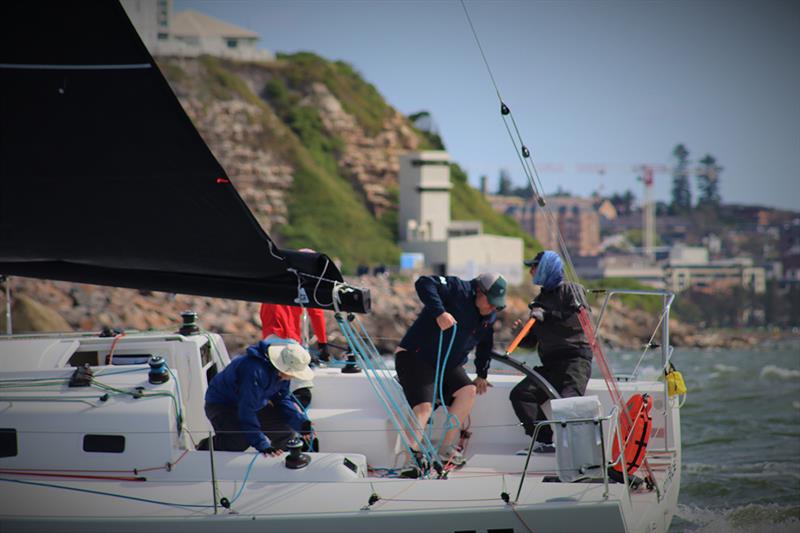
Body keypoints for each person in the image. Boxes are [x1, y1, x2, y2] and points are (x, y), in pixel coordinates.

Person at [395, 272, 506, 474]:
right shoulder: (458, 289)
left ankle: (445, 450)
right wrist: (439, 313)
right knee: (424, 408)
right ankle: (409, 460)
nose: (492, 307)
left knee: (468, 391)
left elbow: (485, 345)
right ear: (479, 292)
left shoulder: (489, 316)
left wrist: (482, 374)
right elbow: (424, 282)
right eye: (490, 302)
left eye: (497, 305)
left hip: (447, 364)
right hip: (416, 356)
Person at [509, 251, 593, 453]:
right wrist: (522, 335)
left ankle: (578, 454)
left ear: (547, 267)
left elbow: (579, 320)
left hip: (575, 360)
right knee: (521, 395)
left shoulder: (572, 290)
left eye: (534, 267)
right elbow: (532, 342)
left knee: (567, 403)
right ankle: (546, 442)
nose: (530, 271)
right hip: (551, 365)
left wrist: (547, 315)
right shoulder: (539, 300)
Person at [197, 340, 314, 455]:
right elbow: (246, 410)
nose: (294, 377)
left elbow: (282, 399)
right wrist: (262, 445)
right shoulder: (254, 371)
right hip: (222, 405)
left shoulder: (281, 375)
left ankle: (280, 463)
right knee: (240, 441)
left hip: (255, 402)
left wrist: (301, 423)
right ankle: (203, 448)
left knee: (285, 433)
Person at [259, 248, 330, 408]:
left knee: (274, 390)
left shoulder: (276, 277)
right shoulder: (304, 282)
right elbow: (316, 314)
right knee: (302, 390)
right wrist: (323, 344)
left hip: (268, 341)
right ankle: (298, 425)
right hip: (288, 340)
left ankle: (277, 426)